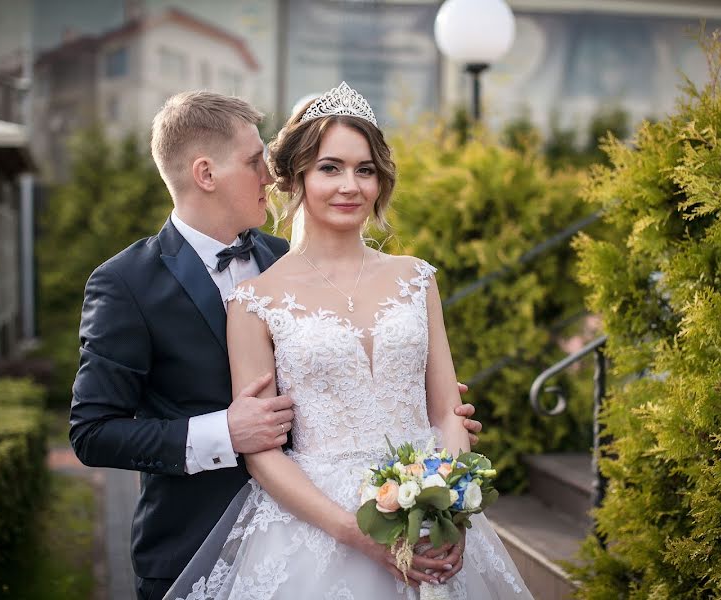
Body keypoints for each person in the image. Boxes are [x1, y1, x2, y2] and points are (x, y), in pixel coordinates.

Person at [68, 90, 483, 600]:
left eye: (364, 170)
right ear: (205, 174)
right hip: (203, 540)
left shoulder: (287, 257)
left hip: (369, 510)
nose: (270, 174)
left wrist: (434, 432)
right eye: (253, 162)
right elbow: (92, 431)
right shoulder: (126, 283)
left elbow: (354, 367)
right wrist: (224, 431)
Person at [165, 83, 531, 599]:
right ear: (295, 176)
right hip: (317, 527)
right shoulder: (253, 301)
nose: (350, 186)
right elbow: (262, 454)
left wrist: (451, 512)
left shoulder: (417, 278)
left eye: (365, 170)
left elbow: (448, 412)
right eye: (329, 167)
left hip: (430, 512)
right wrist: (356, 534)